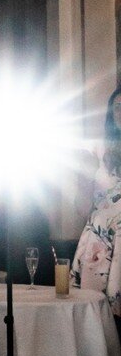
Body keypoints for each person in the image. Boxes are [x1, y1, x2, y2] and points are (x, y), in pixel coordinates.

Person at [71, 84, 121, 322]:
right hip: (100, 244)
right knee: (97, 318)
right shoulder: (95, 150)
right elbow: (81, 209)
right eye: (118, 108)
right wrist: (85, 175)